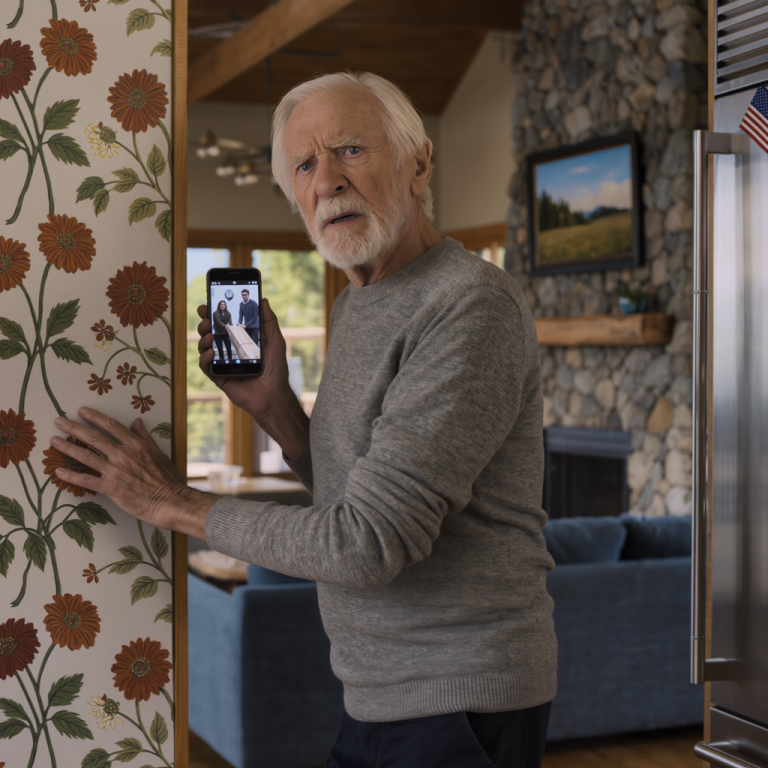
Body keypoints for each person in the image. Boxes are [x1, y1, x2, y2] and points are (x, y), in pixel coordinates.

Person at [49, 71, 557, 768]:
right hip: (377, 693)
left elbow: (369, 543)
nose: (327, 181)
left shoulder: (470, 305)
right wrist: (277, 408)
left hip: (457, 697)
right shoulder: (358, 304)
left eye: (350, 150)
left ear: (418, 162)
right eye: (306, 164)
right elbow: (360, 496)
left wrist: (173, 503)